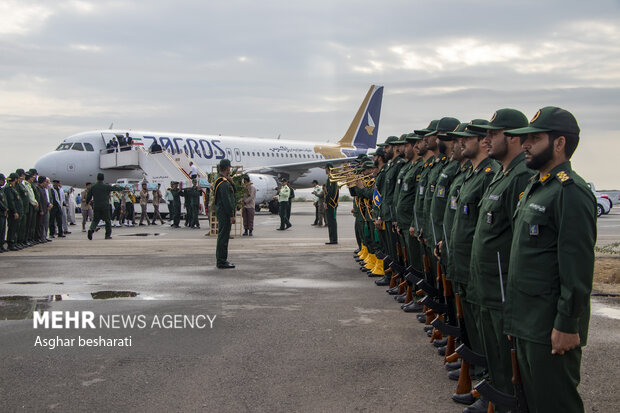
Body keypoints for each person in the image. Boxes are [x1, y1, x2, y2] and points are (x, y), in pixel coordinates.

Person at [502, 107, 596, 413]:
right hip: (527, 321)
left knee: (556, 404)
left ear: (559, 144)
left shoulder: (570, 192)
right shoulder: (537, 187)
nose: (526, 144)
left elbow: (577, 267)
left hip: (549, 326)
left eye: (535, 138)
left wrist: (568, 324)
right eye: (526, 138)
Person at [86, 173, 125, 240]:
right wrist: (123, 188)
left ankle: (91, 229)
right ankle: (107, 235)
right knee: (107, 220)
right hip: (105, 206)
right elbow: (114, 188)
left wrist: (87, 202)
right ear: (103, 179)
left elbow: (89, 196)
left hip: (96, 205)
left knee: (95, 220)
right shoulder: (106, 186)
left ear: (97, 178)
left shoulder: (93, 186)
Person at [213, 159, 236, 269]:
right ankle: (221, 261)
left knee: (223, 236)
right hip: (225, 213)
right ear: (227, 168)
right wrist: (231, 214)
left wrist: (231, 182)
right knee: (223, 236)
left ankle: (222, 259)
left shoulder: (220, 179)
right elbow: (227, 200)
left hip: (222, 211)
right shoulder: (223, 183)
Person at [324, 163, 339, 244]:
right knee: (331, 221)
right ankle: (333, 239)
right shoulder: (332, 177)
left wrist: (326, 202)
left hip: (331, 203)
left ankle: (333, 239)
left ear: (328, 168)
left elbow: (329, 192)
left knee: (331, 221)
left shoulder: (331, 178)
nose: (325, 170)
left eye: (325, 169)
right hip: (332, 202)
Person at [35, 176, 51, 242]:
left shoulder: (42, 188)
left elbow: (45, 199)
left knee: (44, 224)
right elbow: (39, 200)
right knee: (40, 224)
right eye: (45, 182)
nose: (46, 183)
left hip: (45, 209)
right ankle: (40, 237)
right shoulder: (38, 188)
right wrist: (41, 209)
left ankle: (43, 237)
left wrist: (48, 204)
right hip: (42, 209)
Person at [0, 174, 7, 252]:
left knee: (2, 231)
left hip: (3, 213)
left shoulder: (2, 190)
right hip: (1, 212)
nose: (4, 182)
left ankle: (1, 245)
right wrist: (4, 208)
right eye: (2, 180)